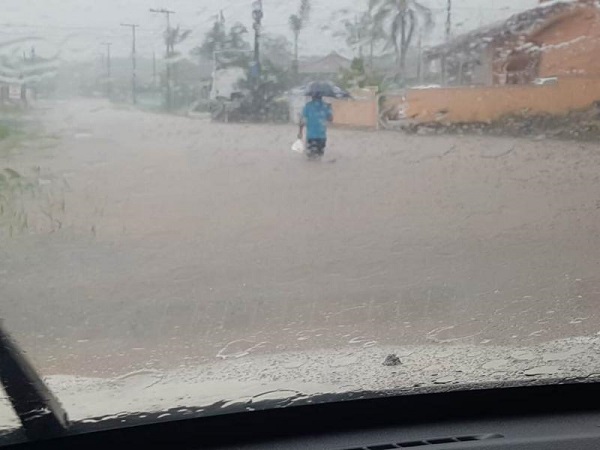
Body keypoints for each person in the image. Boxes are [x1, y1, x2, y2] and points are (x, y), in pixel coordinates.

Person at [298, 93, 333, 157]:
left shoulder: (308, 106)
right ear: (321, 97)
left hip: (311, 137)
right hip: (322, 136)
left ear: (312, 96)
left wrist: (300, 132)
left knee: (311, 158)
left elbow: (302, 121)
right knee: (319, 156)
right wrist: (330, 108)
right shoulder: (326, 106)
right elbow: (330, 119)